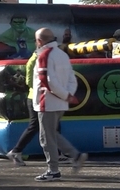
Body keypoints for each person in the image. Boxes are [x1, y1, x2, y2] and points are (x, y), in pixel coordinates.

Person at [31, 27, 87, 181]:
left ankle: (53, 170)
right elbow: (72, 79)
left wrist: (65, 95)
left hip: (47, 101)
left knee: (46, 138)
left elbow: (46, 81)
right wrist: (67, 95)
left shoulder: (44, 55)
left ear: (39, 41)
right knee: (51, 134)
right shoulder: (62, 54)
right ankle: (75, 156)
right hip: (60, 102)